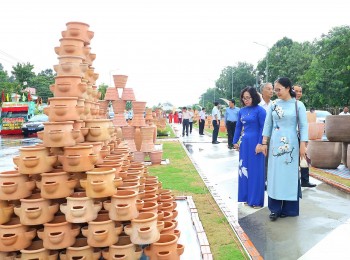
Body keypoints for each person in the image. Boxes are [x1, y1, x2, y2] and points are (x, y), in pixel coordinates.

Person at [261, 77, 308, 221]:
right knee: (275, 175)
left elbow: (304, 126)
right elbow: (267, 124)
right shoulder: (273, 105)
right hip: (275, 143)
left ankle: (289, 209)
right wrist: (264, 143)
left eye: (278, 89)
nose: (276, 92)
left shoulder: (298, 105)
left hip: (292, 145)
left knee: (290, 175)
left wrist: (303, 145)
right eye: (274, 90)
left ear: (288, 88)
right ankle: (274, 209)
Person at [233, 86, 266, 208]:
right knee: (244, 170)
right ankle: (246, 197)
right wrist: (235, 141)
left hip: (256, 143)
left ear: (254, 97)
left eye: (248, 97)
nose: (246, 100)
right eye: (244, 98)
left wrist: (260, 143)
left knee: (256, 172)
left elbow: (263, 128)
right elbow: (238, 127)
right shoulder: (241, 111)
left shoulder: (260, 111)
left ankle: (256, 200)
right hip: (245, 143)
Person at [293, 84, 316, 188]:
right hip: (289, 136)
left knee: (304, 158)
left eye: (300, 91)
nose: (298, 93)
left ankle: (305, 180)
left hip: (299, 135)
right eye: (296, 91)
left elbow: (303, 124)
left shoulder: (301, 104)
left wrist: (304, 140)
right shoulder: (285, 104)